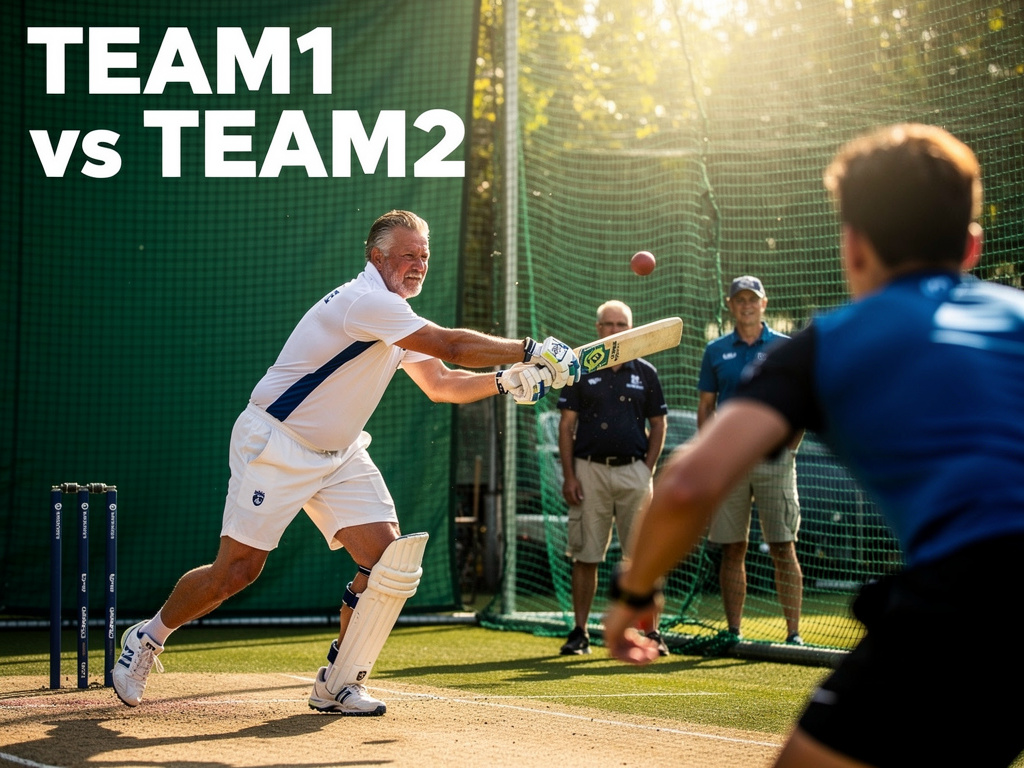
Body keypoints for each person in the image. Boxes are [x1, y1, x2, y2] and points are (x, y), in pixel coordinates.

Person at [604, 124, 1024, 767]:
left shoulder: (826, 346)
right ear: (972, 246)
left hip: (977, 592)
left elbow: (691, 483)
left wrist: (635, 594)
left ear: (853, 246)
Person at [111, 209, 581, 715]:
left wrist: (505, 380)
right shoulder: (367, 303)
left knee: (387, 564)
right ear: (376, 257)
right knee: (237, 572)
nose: (418, 264)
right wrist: (532, 350)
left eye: (423, 255)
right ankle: (148, 636)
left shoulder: (394, 313)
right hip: (277, 442)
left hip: (340, 452)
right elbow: (451, 344)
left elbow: (441, 383)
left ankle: (337, 681)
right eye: (407, 255)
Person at [556, 300, 668, 656]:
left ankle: (650, 633)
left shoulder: (646, 372)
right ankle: (580, 633)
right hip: (589, 471)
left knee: (644, 557)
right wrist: (570, 475)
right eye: (609, 324)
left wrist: (646, 468)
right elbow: (566, 425)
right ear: (597, 328)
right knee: (585, 556)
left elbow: (659, 424)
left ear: (632, 329)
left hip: (634, 472)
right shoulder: (580, 370)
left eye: (622, 324)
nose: (615, 330)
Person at [697, 276, 804, 645]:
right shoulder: (715, 351)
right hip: (729, 461)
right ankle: (733, 633)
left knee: (782, 546)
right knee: (733, 547)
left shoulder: (786, 347)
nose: (746, 305)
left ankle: (794, 634)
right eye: (739, 299)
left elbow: (801, 404)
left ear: (764, 303)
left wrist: (788, 450)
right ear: (730, 305)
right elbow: (706, 408)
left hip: (775, 459)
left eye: (752, 299)